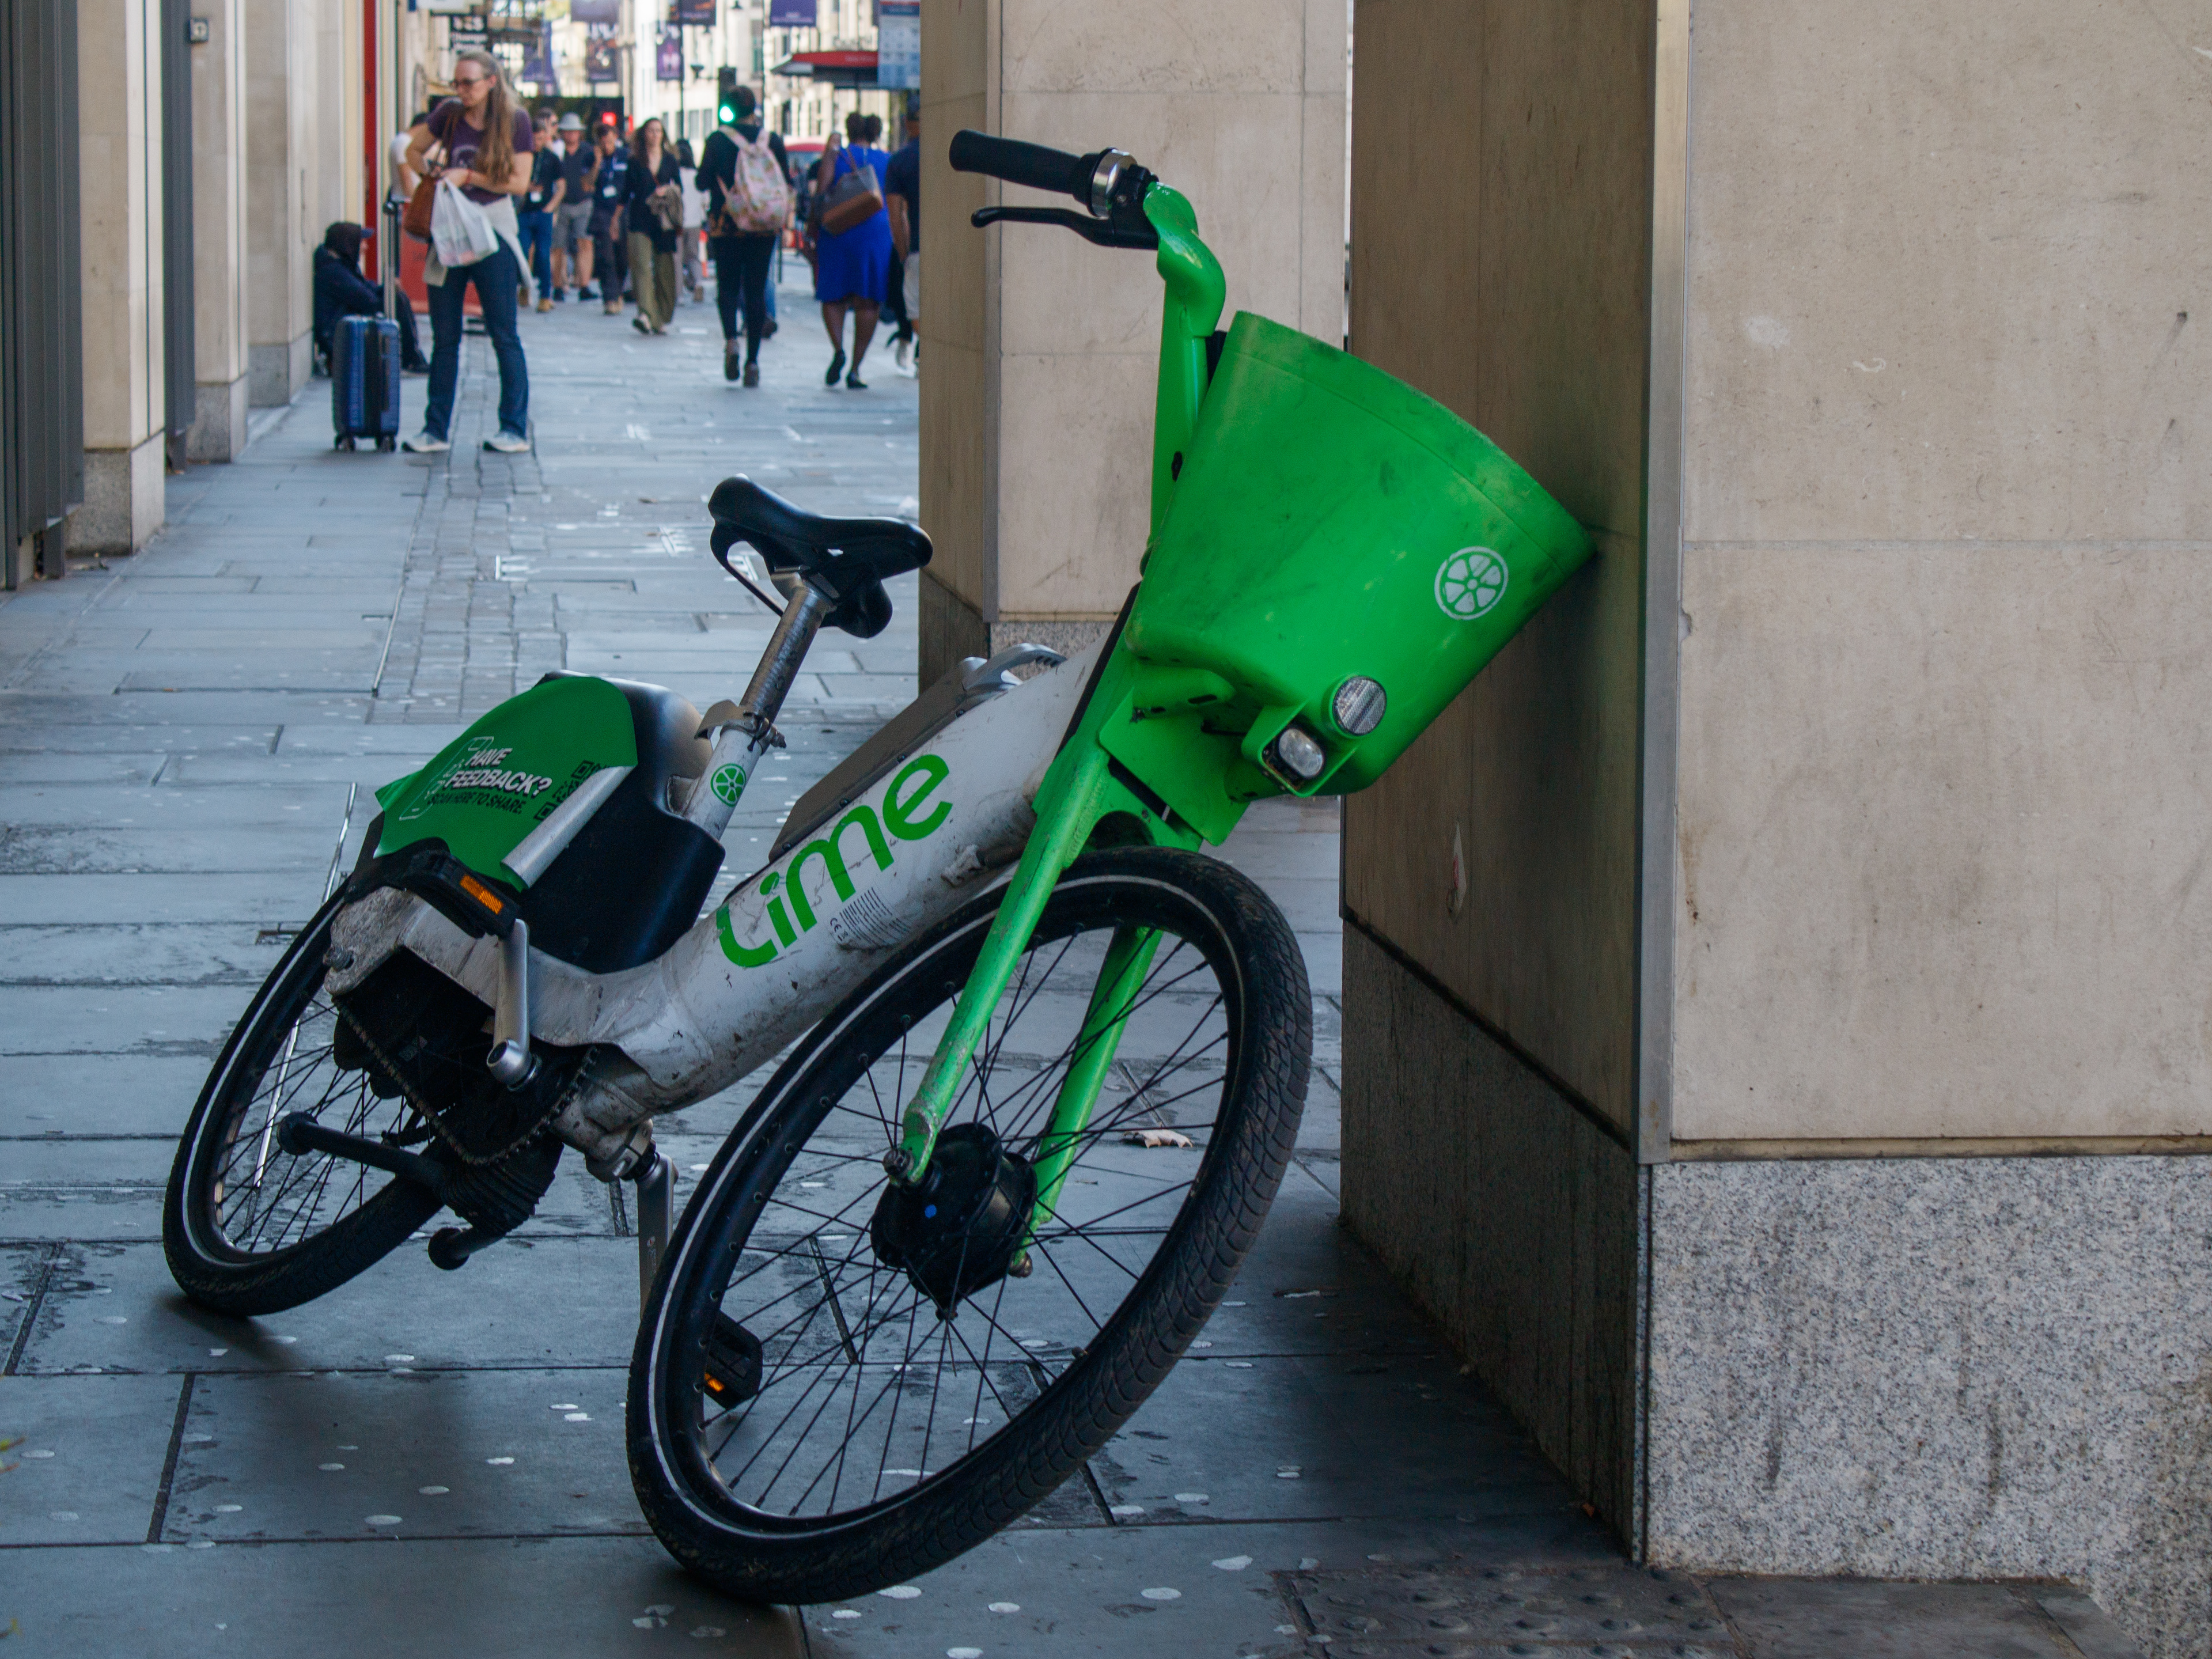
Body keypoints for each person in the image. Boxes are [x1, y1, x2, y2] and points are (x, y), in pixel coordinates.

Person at [401, 48, 535, 454]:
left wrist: (469, 176)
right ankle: (435, 430)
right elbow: (410, 151)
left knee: (503, 332)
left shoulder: (515, 120)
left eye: (469, 83)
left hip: (491, 229)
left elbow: (519, 183)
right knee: (445, 336)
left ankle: (513, 428)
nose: (461, 91)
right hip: (449, 231)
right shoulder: (449, 114)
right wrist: (435, 174)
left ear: (492, 81)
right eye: (457, 82)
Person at [698, 85, 789, 387]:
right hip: (763, 225)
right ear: (754, 109)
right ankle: (753, 360)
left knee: (727, 285)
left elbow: (701, 180)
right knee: (756, 288)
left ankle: (731, 341)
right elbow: (786, 181)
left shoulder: (718, 140)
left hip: (728, 224)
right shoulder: (771, 140)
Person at [811, 112, 891, 389]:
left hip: (839, 229)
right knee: (868, 301)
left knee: (834, 296)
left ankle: (838, 350)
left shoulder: (838, 156)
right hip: (876, 234)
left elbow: (822, 190)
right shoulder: (886, 159)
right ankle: (856, 369)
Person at [312, 221, 427, 374]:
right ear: (347, 245)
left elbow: (367, 290)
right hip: (337, 337)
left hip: (343, 330)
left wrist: (388, 288)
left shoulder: (342, 267)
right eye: (361, 243)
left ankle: (412, 357)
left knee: (396, 295)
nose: (365, 247)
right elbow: (368, 301)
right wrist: (388, 292)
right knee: (396, 299)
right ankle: (411, 359)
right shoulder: (334, 272)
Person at [623, 118, 681, 335]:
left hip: (664, 220)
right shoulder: (635, 160)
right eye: (651, 130)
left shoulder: (670, 160)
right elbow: (626, 191)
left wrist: (667, 190)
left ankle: (662, 315)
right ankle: (646, 314)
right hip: (640, 217)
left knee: (665, 269)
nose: (655, 135)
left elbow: (680, 187)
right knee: (641, 266)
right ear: (644, 134)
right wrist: (616, 218)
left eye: (659, 131)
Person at [884, 101, 920, 376]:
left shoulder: (901, 161)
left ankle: (925, 350)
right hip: (955, 250)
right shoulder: (948, 153)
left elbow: (895, 216)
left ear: (907, 124)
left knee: (916, 308)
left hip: (918, 249)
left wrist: (903, 252)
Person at [518, 108, 562, 312]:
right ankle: (524, 287)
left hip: (543, 212)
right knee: (523, 250)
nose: (538, 141)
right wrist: (524, 188)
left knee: (544, 254)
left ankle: (546, 295)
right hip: (524, 210)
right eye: (535, 138)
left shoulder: (552, 159)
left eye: (541, 137)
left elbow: (562, 186)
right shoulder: (522, 156)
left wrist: (551, 208)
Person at [552, 112, 597, 300]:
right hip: (561, 203)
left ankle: (584, 284)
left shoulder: (588, 151)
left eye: (574, 132)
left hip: (583, 201)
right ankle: (557, 286)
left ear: (579, 133)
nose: (571, 135)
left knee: (585, 243)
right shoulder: (557, 151)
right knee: (557, 246)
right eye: (567, 132)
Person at [588, 123, 629, 316]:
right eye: (603, 141)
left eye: (610, 139)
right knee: (606, 256)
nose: (607, 145)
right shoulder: (593, 157)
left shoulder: (625, 156)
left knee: (622, 256)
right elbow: (587, 185)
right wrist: (596, 163)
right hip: (602, 211)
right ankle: (610, 297)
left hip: (623, 210)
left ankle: (618, 291)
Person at [675, 137, 707, 301]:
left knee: (678, 258)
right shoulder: (697, 176)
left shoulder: (675, 176)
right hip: (695, 221)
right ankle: (698, 284)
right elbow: (706, 200)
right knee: (693, 256)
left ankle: (678, 292)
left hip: (678, 222)